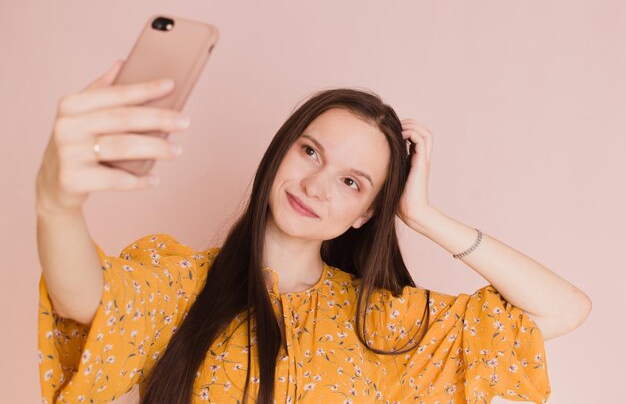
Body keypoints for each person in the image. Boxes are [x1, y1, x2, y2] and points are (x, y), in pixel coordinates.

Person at [36, 60, 591, 404]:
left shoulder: (384, 323)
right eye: (310, 152)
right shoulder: (182, 281)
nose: (318, 185)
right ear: (282, 151)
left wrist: (423, 216)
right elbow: (85, 297)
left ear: (368, 213)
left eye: (352, 182)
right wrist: (57, 203)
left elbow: (563, 310)